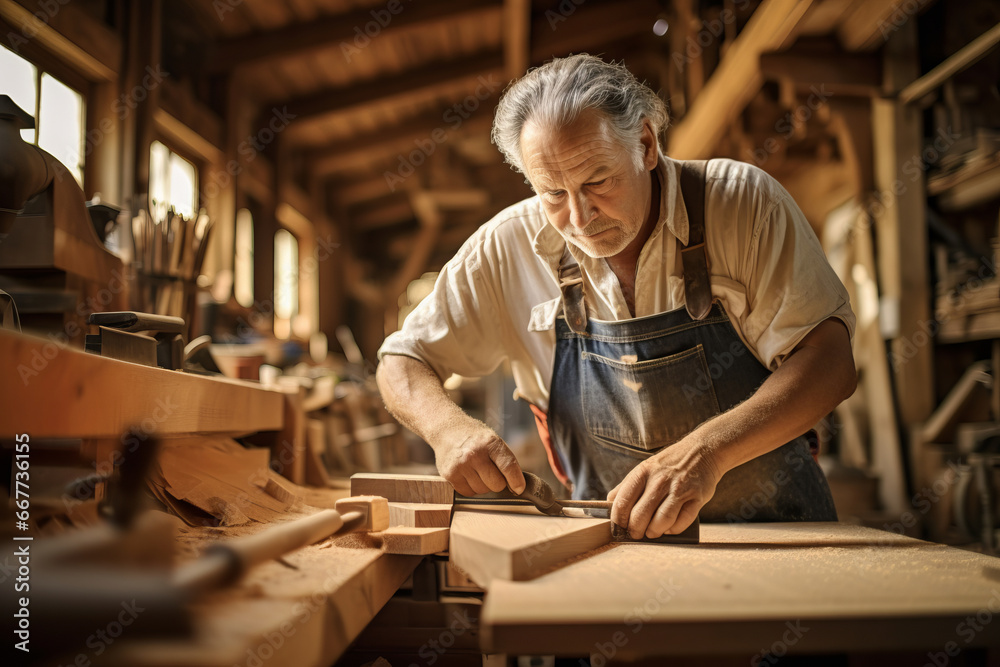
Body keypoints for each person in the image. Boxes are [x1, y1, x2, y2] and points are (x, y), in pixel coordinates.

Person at [376, 54, 857, 539]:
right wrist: (448, 430)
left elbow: (830, 363)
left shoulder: (744, 204)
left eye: (598, 182)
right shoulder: (508, 245)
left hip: (778, 539)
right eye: (554, 194)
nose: (580, 220)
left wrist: (706, 453)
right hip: (607, 544)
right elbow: (401, 359)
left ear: (646, 144)